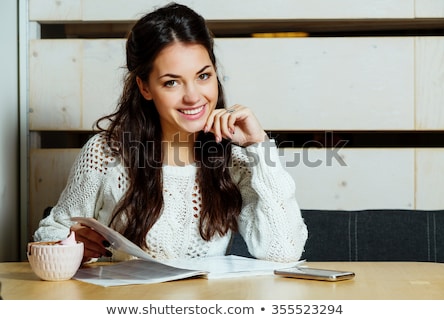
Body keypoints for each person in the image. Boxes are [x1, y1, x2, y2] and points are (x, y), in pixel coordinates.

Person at [33, 2, 308, 263]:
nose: (193, 97)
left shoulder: (233, 160)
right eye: (172, 82)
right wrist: (70, 245)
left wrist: (259, 146)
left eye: (203, 76)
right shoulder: (105, 153)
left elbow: (283, 252)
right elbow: (52, 233)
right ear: (145, 88)